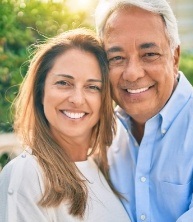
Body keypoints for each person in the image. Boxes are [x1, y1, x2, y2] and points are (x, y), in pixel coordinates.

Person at [95, 0, 193, 221]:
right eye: (116, 58)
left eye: (149, 54)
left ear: (175, 57)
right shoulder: (99, 136)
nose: (132, 74)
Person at [0, 28, 130, 222]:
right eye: (63, 83)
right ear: (40, 92)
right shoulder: (27, 174)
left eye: (92, 87)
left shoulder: (103, 169)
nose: (77, 99)